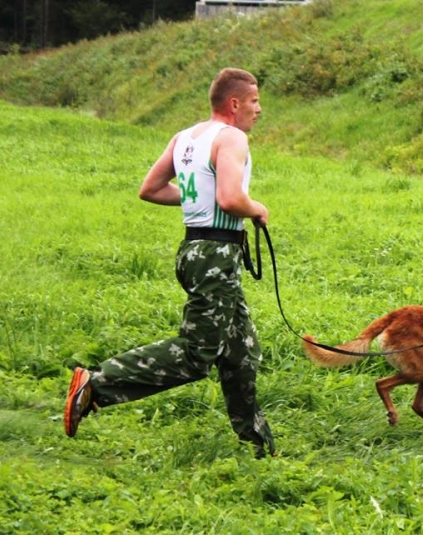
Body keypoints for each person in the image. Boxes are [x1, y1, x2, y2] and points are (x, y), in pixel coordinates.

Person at [64, 67, 276, 457]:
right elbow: (231, 200)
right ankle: (97, 382)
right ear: (234, 103)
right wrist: (257, 207)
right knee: (198, 355)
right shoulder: (232, 139)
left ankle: (258, 445)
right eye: (254, 101)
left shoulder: (185, 138)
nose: (258, 109)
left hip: (195, 250)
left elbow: (152, 189)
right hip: (215, 254)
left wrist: (199, 198)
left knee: (241, 350)